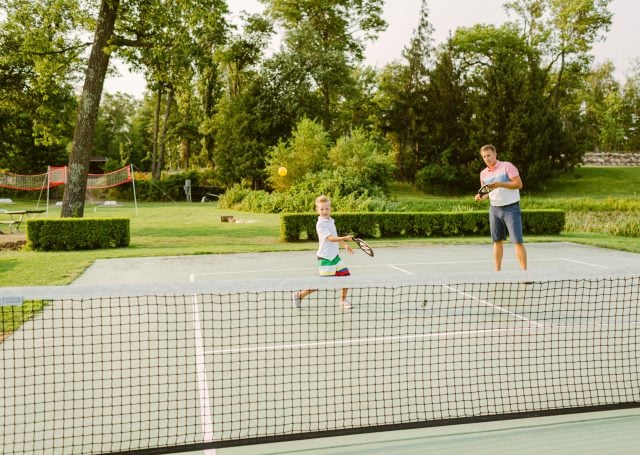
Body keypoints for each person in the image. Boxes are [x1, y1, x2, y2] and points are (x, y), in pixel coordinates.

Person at [292, 195, 354, 309]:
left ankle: (343, 300)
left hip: (335, 257)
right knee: (322, 283)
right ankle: (299, 295)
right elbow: (330, 238)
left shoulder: (331, 221)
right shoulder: (320, 224)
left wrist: (344, 244)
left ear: (330, 208)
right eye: (322, 209)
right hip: (325, 258)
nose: (324, 211)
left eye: (327, 208)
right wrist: (345, 237)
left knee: (346, 277)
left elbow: (335, 236)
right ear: (317, 210)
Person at [474, 144, 527, 271]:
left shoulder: (507, 166)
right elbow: (487, 192)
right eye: (484, 157)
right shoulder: (483, 174)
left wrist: (500, 184)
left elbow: (519, 184)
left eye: (489, 155)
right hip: (494, 210)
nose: (487, 158)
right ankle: (497, 272)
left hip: (511, 208)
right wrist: (480, 197)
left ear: (495, 154)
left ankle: (525, 273)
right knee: (497, 241)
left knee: (517, 241)